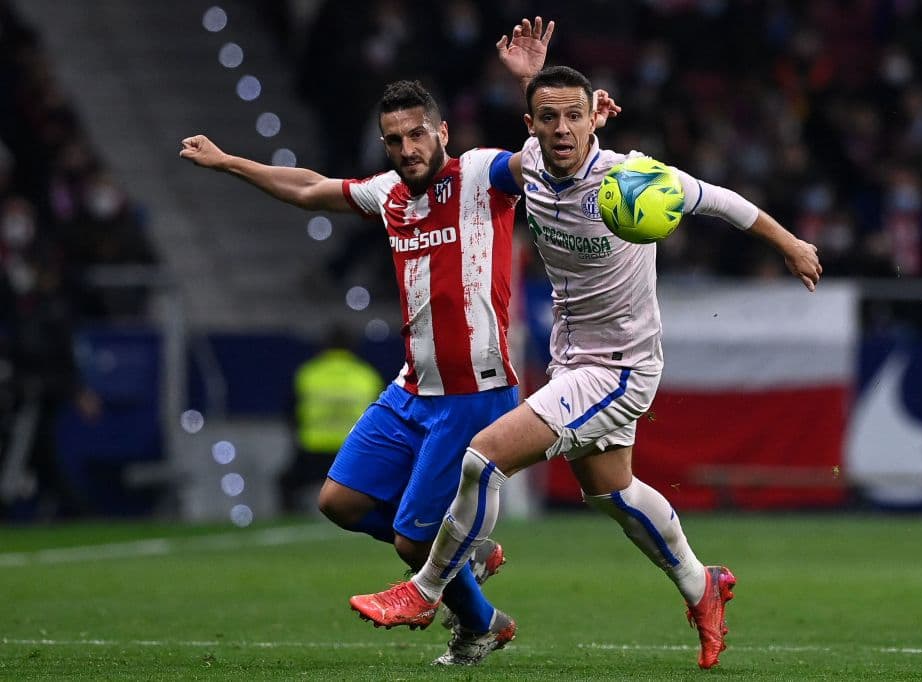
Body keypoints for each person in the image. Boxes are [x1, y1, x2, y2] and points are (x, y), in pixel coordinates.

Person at [350, 21, 822, 671]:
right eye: (550, 118)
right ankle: (700, 583)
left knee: (481, 460)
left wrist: (791, 245)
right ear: (533, 123)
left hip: (622, 366)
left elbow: (723, 202)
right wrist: (535, 80)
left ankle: (426, 591)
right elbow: (549, 112)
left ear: (595, 122)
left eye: (576, 117)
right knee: (610, 491)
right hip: (575, 357)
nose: (563, 129)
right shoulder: (531, 166)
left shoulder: (632, 181)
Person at [181, 39, 621, 665]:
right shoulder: (389, 193)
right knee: (339, 501)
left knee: (414, 545)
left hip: (474, 392)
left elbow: (545, 164)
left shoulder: (481, 173)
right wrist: (229, 163)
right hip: (413, 388)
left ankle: (482, 624)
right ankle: (465, 552)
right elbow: (309, 189)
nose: (408, 150)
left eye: (417, 135)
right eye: (395, 140)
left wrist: (563, 112)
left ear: (441, 131)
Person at [279, 324, 384, 514]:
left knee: (285, 484)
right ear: (353, 347)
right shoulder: (367, 375)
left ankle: (290, 518)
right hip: (353, 453)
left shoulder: (308, 373)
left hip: (313, 452)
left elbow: (291, 412)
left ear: (323, 346)